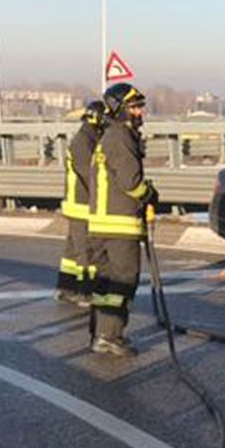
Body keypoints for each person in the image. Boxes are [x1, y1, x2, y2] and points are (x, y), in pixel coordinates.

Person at [86, 82, 158, 356]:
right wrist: (149, 194)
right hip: (119, 225)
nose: (140, 112)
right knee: (123, 282)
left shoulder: (109, 136)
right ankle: (110, 336)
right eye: (135, 107)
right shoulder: (120, 136)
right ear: (120, 109)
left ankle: (100, 334)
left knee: (105, 284)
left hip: (102, 225)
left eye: (141, 106)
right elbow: (131, 182)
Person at [56, 100, 107, 306]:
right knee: (85, 249)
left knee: (72, 250)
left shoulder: (89, 137)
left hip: (78, 202)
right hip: (81, 204)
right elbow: (91, 174)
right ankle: (85, 291)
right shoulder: (83, 141)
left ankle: (66, 288)